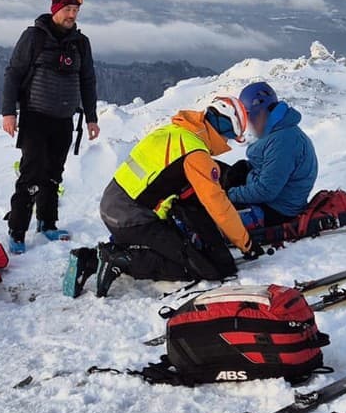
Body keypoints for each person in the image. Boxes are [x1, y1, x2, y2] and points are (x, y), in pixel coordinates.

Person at [78, 97, 252, 298]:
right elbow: (218, 206)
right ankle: (119, 260)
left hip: (113, 207)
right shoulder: (196, 153)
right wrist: (244, 242)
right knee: (199, 268)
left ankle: (91, 258)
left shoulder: (174, 132)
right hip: (131, 219)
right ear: (225, 128)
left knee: (176, 246)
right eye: (229, 137)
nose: (227, 142)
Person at [1, 0, 100, 254]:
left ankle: (47, 222)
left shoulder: (80, 43)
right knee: (31, 174)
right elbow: (13, 74)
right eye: (67, 9)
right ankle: (17, 230)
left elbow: (87, 80)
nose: (72, 15)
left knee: (54, 174)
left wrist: (91, 117)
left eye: (76, 10)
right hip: (35, 116)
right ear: (55, 9)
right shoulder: (34, 38)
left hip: (64, 119)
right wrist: (8, 112)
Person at [224, 82, 318, 227]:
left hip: (278, 211)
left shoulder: (283, 141)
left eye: (249, 116)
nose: (248, 123)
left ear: (261, 112)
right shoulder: (277, 132)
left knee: (216, 218)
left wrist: (230, 195)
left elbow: (266, 191)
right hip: (275, 201)